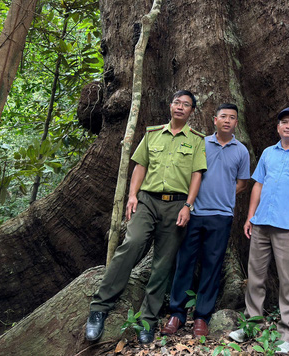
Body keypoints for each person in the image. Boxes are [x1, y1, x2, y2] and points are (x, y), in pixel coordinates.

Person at [84, 90, 207, 344]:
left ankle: (148, 320)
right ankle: (99, 308)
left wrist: (188, 205)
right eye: (176, 103)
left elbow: (197, 174)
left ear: (192, 111)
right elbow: (140, 166)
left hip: (176, 206)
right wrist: (132, 196)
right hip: (148, 201)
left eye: (186, 105)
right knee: (131, 245)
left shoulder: (196, 140)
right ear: (170, 106)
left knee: (162, 264)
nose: (180, 107)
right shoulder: (152, 134)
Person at [229, 107, 289, 354]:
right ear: (278, 127)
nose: (288, 126)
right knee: (256, 277)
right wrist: (250, 216)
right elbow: (258, 185)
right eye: (284, 122)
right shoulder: (268, 153)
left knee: (288, 281)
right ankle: (251, 325)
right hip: (261, 223)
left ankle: (287, 334)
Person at [160, 103, 251, 337]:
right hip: (193, 213)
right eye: (223, 117)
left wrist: (225, 196)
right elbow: (192, 174)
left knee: (212, 266)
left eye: (232, 118)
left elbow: (242, 183)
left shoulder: (241, 150)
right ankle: (177, 314)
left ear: (236, 123)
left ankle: (202, 316)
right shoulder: (201, 144)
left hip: (221, 216)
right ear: (214, 120)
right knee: (184, 264)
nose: (227, 121)